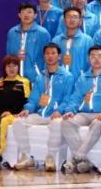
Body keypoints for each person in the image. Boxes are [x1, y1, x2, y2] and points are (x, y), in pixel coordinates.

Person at [11, 43, 74, 171]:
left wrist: (59, 111)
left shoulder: (68, 77)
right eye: (47, 53)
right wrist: (27, 109)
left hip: (56, 115)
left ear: (59, 56)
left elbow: (67, 99)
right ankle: (26, 157)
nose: (50, 56)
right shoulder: (40, 77)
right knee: (18, 121)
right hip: (41, 114)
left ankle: (50, 157)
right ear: (44, 56)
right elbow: (33, 99)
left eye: (53, 53)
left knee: (57, 123)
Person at [60, 46, 101, 174]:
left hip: (100, 113)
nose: (96, 59)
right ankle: (84, 160)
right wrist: (70, 110)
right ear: (88, 59)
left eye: (99, 56)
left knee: (98, 123)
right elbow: (75, 97)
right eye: (93, 56)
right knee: (66, 122)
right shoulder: (83, 78)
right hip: (84, 113)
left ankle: (76, 158)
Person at [0, 56, 30, 169]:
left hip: (15, 114)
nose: (11, 68)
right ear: (4, 68)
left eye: (14, 66)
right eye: (8, 66)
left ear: (18, 67)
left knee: (1, 122)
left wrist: (11, 112)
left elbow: (26, 101)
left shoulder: (24, 82)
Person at [7, 3, 51, 77]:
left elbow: (48, 57)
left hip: (36, 78)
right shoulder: (12, 33)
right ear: (19, 15)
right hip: (16, 77)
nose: (26, 15)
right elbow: (8, 56)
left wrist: (43, 77)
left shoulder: (43, 33)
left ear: (35, 15)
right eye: (23, 12)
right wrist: (16, 57)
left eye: (29, 12)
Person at [52, 7, 93, 76]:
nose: (72, 19)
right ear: (64, 20)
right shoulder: (56, 40)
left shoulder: (87, 40)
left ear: (80, 21)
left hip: (80, 79)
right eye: (69, 16)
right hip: (60, 79)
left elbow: (92, 63)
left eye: (75, 17)